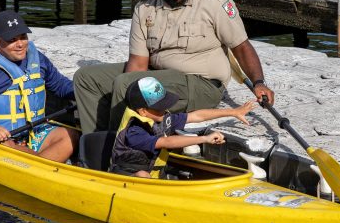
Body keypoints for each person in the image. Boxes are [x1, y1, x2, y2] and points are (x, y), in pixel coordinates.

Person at [73, 0, 274, 134]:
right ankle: (95, 143)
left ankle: (118, 153)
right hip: (159, 75)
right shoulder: (144, 8)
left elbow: (241, 46)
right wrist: (132, 92)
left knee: (124, 84)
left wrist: (259, 82)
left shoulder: (213, 4)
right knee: (87, 78)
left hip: (200, 84)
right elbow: (138, 64)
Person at [0, 10, 80, 163]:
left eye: (23, 37)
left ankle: (40, 168)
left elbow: (60, 85)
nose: (20, 44)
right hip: (0, 138)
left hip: (33, 131)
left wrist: (89, 94)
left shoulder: (37, 59)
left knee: (71, 135)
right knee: (22, 153)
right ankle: (41, 169)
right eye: (12, 39)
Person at [109, 76, 255, 178]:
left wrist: (233, 112)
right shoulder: (134, 131)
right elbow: (166, 142)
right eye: (160, 106)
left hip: (154, 173)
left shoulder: (160, 118)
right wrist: (204, 138)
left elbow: (196, 116)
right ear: (143, 111)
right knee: (143, 175)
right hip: (125, 176)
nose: (165, 108)